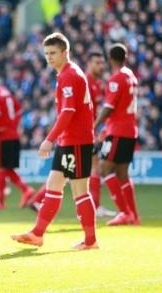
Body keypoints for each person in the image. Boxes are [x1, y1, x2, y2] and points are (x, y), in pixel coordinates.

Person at [11, 33, 98, 250]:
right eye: (46, 53)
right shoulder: (67, 74)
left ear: (65, 52)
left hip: (76, 141)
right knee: (53, 186)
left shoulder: (69, 75)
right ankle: (37, 234)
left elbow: (68, 112)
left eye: (53, 53)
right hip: (70, 140)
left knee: (80, 190)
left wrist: (49, 139)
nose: (49, 58)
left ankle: (90, 241)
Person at [27, 51, 116, 218]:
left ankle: (38, 202)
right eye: (97, 63)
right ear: (89, 64)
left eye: (102, 63)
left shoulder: (95, 83)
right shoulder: (86, 81)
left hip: (83, 133)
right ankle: (94, 209)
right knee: (80, 171)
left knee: (65, 173)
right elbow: (71, 110)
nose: (101, 66)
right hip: (78, 135)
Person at [94, 43, 141, 226]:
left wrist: (94, 125)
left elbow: (109, 108)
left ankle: (124, 212)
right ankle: (134, 216)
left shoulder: (116, 78)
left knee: (104, 169)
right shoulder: (131, 76)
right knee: (122, 173)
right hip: (130, 130)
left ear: (110, 59)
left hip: (118, 131)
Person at [0, 72, 35, 210]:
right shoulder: (6, 92)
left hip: (2, 136)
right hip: (13, 135)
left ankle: (0, 201)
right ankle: (26, 189)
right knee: (6, 168)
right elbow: (19, 110)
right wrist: (13, 126)